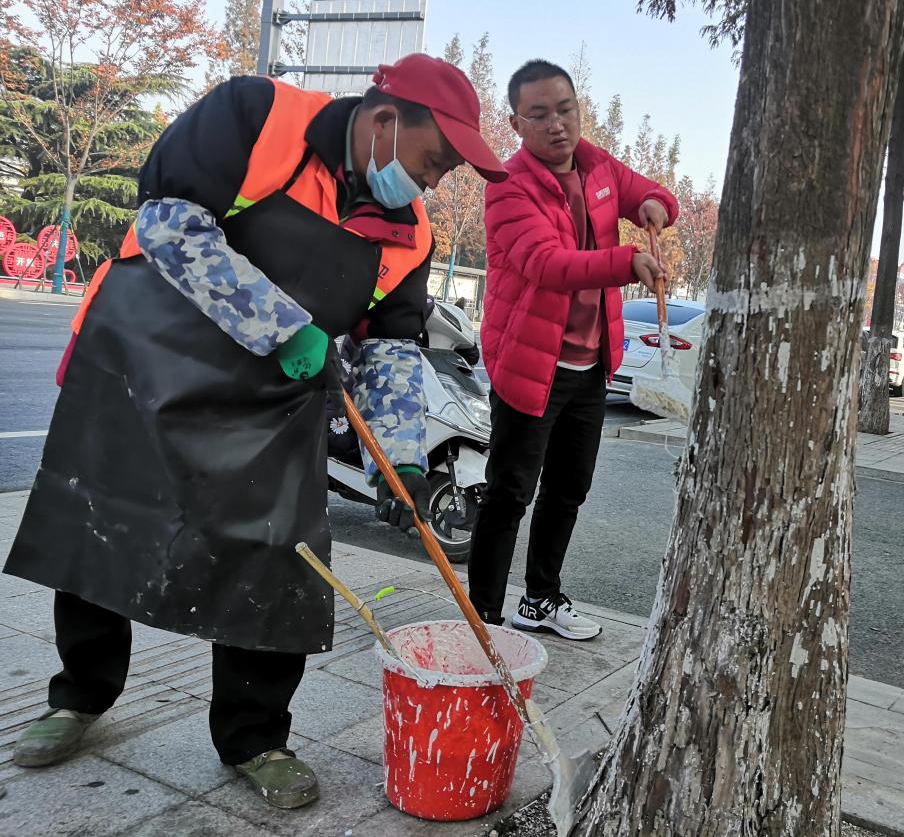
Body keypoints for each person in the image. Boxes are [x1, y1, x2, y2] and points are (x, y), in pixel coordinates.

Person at [2, 54, 507, 808]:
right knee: (105, 524)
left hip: (272, 401)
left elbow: (392, 345)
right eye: (433, 162)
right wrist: (282, 327)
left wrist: (400, 464)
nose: (433, 183)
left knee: (280, 558)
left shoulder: (409, 232)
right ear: (382, 121)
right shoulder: (257, 114)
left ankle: (255, 736)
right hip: (147, 362)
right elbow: (167, 219)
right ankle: (78, 696)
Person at [470, 60, 678, 640]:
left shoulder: (598, 165)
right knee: (511, 490)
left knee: (568, 488)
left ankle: (540, 599)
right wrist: (626, 263)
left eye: (565, 109)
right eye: (539, 114)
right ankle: (482, 614)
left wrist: (659, 205)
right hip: (530, 365)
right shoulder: (507, 185)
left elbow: (645, 193)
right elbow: (546, 263)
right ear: (516, 122)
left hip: (591, 366)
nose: (557, 124)